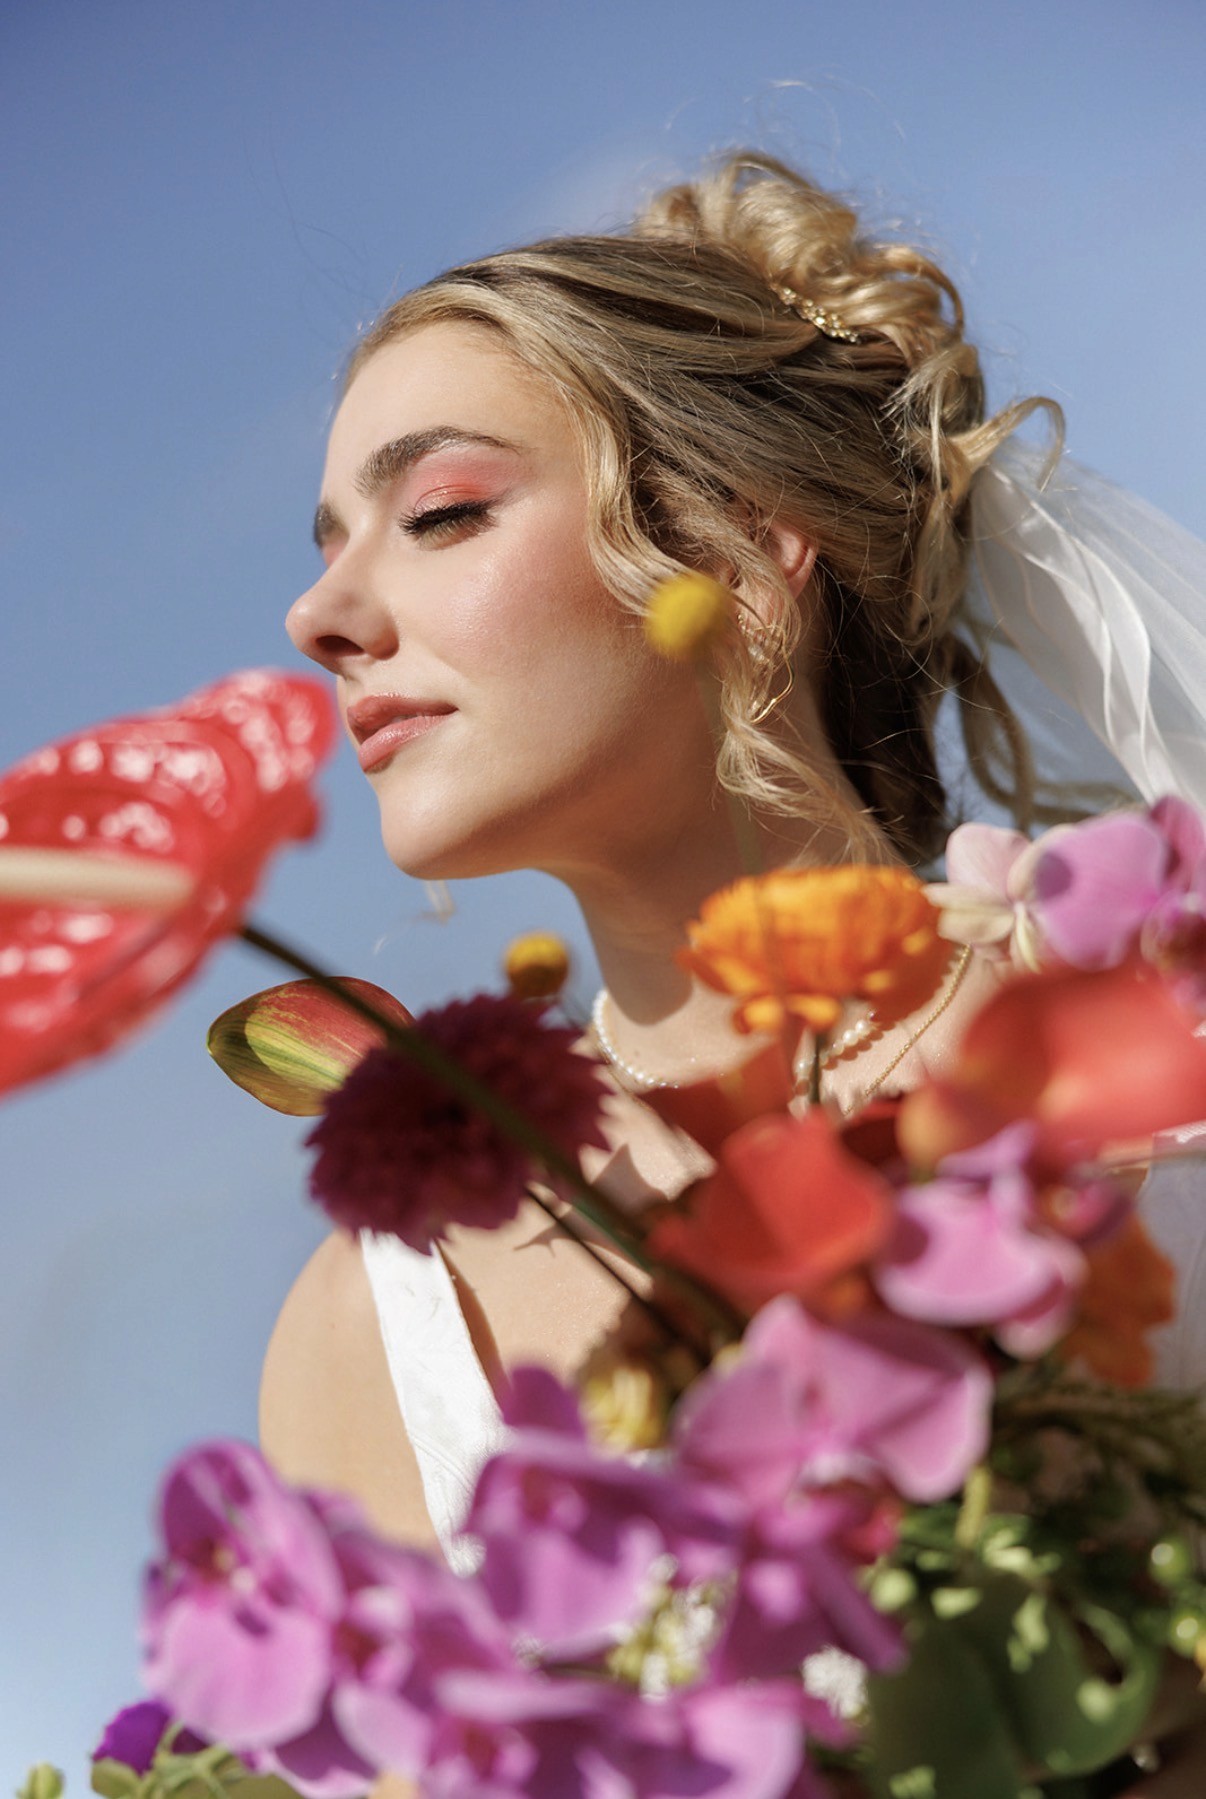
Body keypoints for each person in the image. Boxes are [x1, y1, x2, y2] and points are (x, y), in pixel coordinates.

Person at [266, 152, 1206, 1793]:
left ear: (750, 549)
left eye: (440, 515)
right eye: (332, 544)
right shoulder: (382, 1319)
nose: (320, 612)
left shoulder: (1153, 1004)